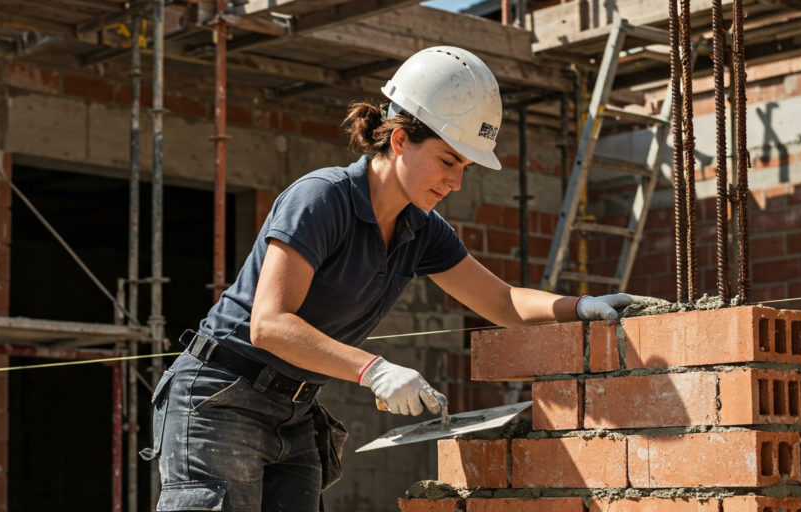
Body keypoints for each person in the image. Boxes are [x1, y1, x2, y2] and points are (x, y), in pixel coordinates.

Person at [143, 46, 642, 512]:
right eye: (447, 161)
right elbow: (269, 325)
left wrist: (579, 307)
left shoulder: (422, 230)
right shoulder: (321, 198)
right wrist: (374, 370)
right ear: (400, 139)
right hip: (221, 399)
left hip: (295, 411)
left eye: (465, 167)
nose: (455, 181)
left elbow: (503, 302)